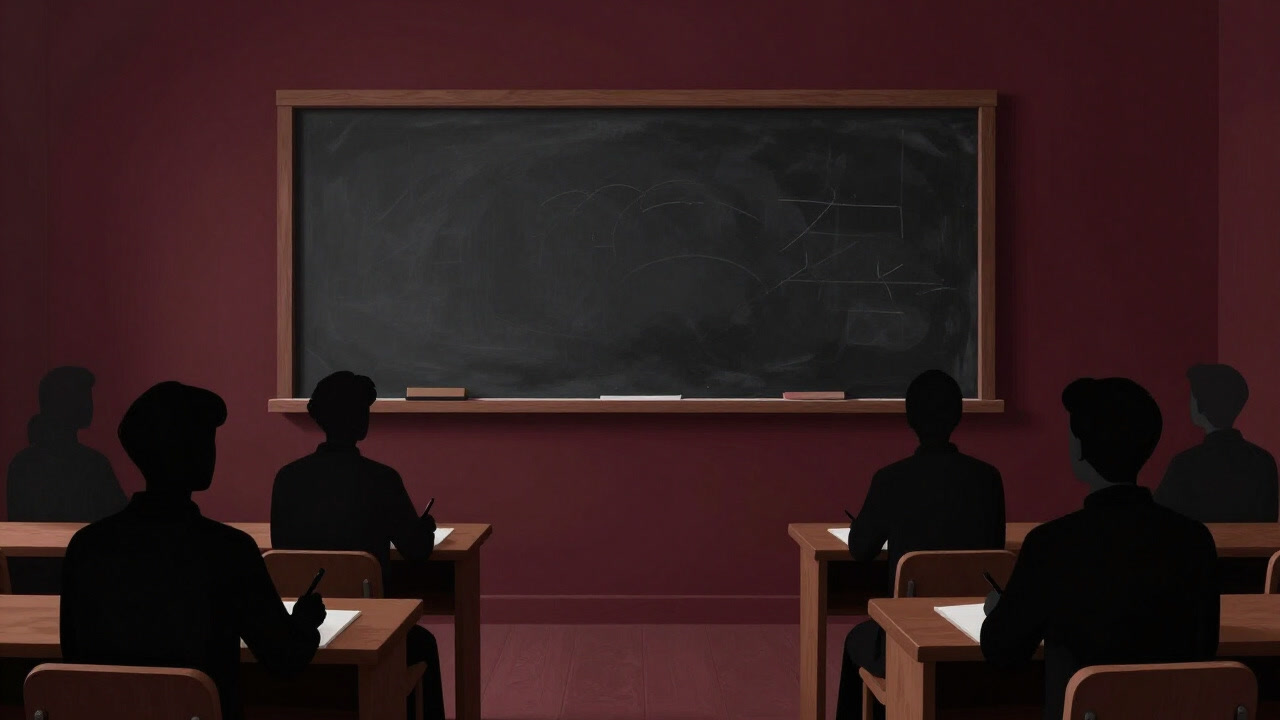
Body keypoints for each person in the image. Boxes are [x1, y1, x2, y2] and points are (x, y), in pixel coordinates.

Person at [60, 382, 325, 720]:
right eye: (205, 439)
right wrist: (304, 621)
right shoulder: (229, 551)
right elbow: (284, 660)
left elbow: (74, 661)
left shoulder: (86, 548)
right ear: (194, 450)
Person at [981, 377, 1220, 720]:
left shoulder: (1051, 544)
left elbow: (1003, 653)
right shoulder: (1195, 540)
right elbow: (1204, 650)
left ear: (1079, 448)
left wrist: (999, 611)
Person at [271, 370, 444, 720]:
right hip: (370, 628)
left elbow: (283, 548)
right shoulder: (381, 479)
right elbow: (417, 550)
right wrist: (424, 527)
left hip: (302, 627)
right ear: (362, 420)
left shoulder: (287, 479)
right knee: (424, 644)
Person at [834, 369, 1006, 720]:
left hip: (904, 638)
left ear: (909, 418)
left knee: (856, 641)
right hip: (974, 637)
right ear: (958, 416)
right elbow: (995, 547)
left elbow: (860, 549)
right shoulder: (987, 479)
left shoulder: (891, 479)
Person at [6, 366, 127, 593]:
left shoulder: (22, 464)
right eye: (84, 396)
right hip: (80, 582)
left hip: (41, 585)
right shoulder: (92, 464)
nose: (91, 404)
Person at [1155, 363, 1278, 522]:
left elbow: (1162, 517)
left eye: (1192, 396)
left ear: (1201, 404)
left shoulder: (1185, 464)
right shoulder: (1264, 461)